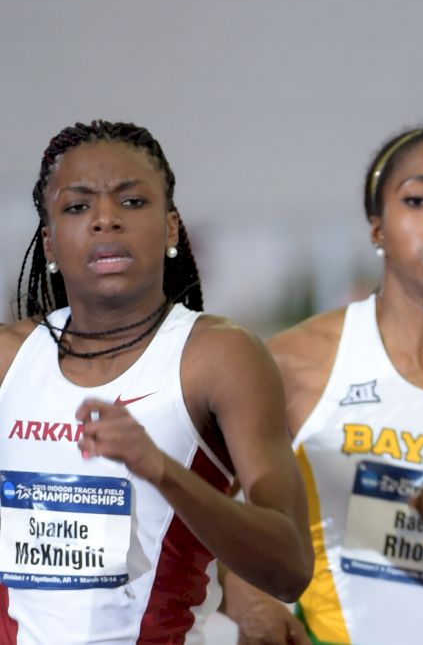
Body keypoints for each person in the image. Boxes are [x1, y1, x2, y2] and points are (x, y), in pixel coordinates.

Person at [0, 120, 312, 644]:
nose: (105, 221)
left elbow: (290, 567)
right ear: (49, 243)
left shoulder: (217, 356)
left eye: (132, 202)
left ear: (171, 229)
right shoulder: (10, 358)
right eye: (78, 207)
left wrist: (161, 470)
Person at [221, 124, 423, 645]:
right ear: (376, 229)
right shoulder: (294, 363)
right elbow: (211, 510)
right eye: (416, 200)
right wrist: (248, 596)